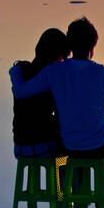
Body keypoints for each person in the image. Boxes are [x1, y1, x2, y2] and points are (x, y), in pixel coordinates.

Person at [9, 17, 104, 208]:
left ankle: (75, 198)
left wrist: (15, 70)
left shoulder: (53, 71)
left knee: (75, 135)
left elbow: (21, 92)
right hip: (98, 146)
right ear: (93, 47)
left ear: (69, 45)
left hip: (68, 147)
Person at [11, 28, 68, 158]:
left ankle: (60, 178)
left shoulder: (22, 71)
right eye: (62, 58)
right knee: (69, 154)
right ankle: (63, 178)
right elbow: (61, 115)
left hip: (19, 148)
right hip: (43, 147)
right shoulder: (51, 77)